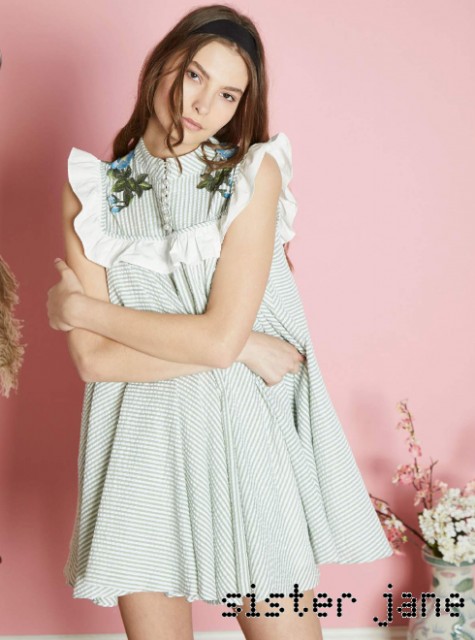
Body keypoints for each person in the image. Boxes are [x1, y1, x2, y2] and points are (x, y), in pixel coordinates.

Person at [47, 5, 393, 639]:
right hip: (136, 445)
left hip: (242, 437)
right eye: (194, 75)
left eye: (229, 94)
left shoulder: (251, 175)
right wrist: (241, 347)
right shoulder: (91, 191)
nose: (203, 104)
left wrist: (83, 310)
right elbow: (95, 360)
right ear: (162, 64)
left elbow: (213, 339)